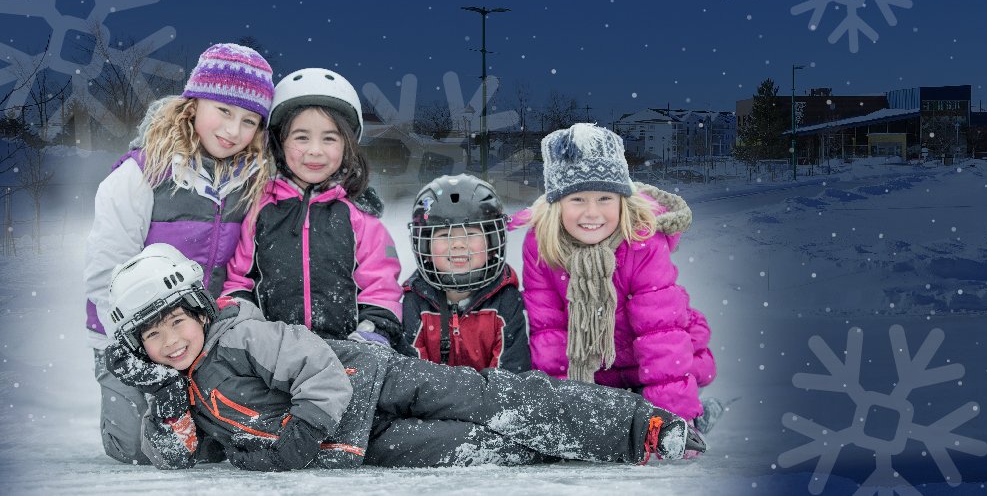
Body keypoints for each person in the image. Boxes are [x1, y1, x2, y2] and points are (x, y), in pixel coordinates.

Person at [102, 243, 704, 470]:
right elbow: (184, 452)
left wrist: (299, 439)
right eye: (155, 336)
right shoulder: (186, 386)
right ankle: (553, 448)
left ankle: (637, 427)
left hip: (372, 381)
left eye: (178, 321)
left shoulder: (237, 336)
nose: (172, 340)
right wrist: (159, 401)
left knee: (491, 398)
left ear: (200, 310)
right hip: (355, 440)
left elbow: (317, 367)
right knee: (465, 445)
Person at [83, 43, 276, 464]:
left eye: (248, 120)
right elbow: (104, 273)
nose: (233, 130)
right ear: (193, 103)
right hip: (136, 337)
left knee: (212, 448)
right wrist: (131, 346)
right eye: (223, 111)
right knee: (136, 450)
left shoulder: (252, 183)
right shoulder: (141, 175)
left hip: (204, 337)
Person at [522, 124, 716, 424]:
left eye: (604, 198)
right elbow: (550, 334)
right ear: (557, 204)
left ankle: (695, 415)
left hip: (652, 366)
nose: (592, 213)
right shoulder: (542, 246)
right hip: (597, 372)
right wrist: (562, 417)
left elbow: (660, 336)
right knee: (608, 423)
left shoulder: (642, 243)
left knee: (647, 414)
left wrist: (672, 421)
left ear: (622, 200)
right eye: (577, 199)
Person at [222, 68, 403, 345]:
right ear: (280, 144)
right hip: (275, 355)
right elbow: (239, 282)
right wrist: (248, 328)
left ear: (347, 144)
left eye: (329, 138)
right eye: (301, 137)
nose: (315, 150)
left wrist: (371, 333)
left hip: (349, 353)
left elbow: (381, 288)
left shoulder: (360, 217)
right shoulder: (260, 211)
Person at [400, 174, 532, 372]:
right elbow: (413, 376)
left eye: (470, 234)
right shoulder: (415, 301)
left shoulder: (506, 299)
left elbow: (511, 377)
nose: (459, 244)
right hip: (432, 402)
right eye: (445, 235)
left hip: (490, 402)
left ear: (492, 243)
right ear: (425, 245)